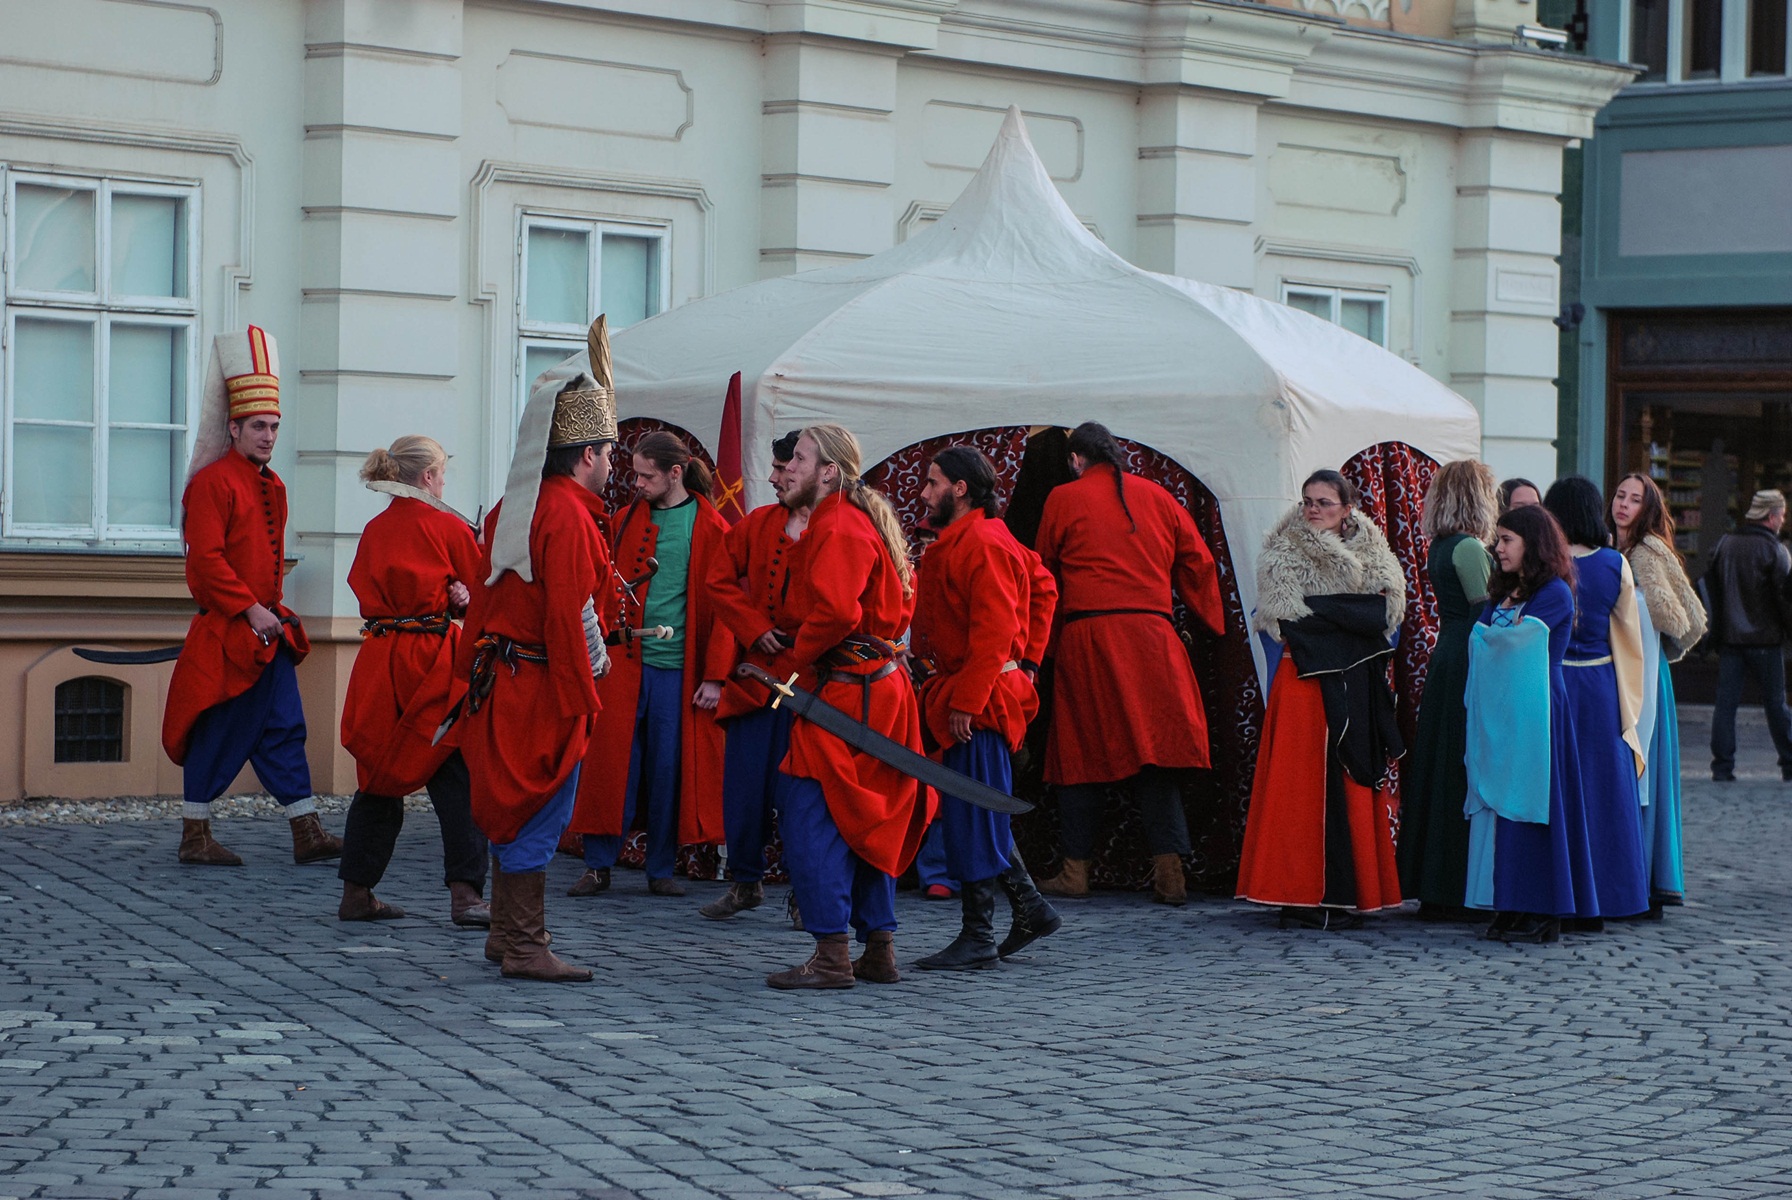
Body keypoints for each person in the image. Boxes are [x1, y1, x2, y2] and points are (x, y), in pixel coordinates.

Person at [456, 319, 617, 982]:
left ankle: (504, 933)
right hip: (540, 686)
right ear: (587, 455)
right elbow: (566, 613)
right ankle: (524, 944)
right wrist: (585, 697)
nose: (611, 465)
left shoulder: (513, 505)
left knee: (511, 805)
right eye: (608, 453)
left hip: (501, 680)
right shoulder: (569, 516)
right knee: (538, 808)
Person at [161, 326, 342, 868]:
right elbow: (206, 562)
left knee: (285, 726)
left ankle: (307, 830)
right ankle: (195, 836)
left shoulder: (274, 484)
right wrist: (250, 608)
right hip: (229, 633)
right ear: (234, 427)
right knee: (218, 728)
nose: (268, 436)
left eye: (274, 426)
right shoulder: (212, 483)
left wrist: (269, 614)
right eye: (258, 426)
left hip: (267, 633)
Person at [766, 423, 935, 990]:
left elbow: (838, 612)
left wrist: (797, 658)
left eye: (800, 458)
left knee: (812, 812)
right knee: (866, 818)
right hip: (874, 687)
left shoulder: (838, 523)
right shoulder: (861, 519)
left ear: (829, 472)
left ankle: (833, 956)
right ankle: (879, 947)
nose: (789, 466)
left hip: (848, 691)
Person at [1033, 422, 1224, 905]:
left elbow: (1043, 573)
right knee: (1155, 756)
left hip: (1090, 639)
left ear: (1076, 459)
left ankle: (1075, 873)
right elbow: (1200, 563)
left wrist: (1041, 647)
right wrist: (1210, 622)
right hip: (1154, 640)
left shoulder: (1063, 498)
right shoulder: (1159, 496)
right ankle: (1171, 875)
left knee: (1078, 754)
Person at [910, 447, 1062, 970]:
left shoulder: (983, 542)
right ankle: (1029, 909)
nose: (924, 492)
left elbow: (995, 631)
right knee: (975, 810)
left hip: (979, 702)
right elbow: (1044, 587)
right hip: (972, 693)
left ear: (960, 489)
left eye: (933, 483)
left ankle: (980, 935)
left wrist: (973, 698)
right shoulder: (977, 539)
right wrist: (1028, 663)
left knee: (974, 812)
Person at [1236, 469, 1406, 930]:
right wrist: (1352, 616)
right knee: (1301, 787)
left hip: (1355, 682)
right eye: (1307, 501)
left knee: (1351, 780)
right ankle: (1299, 895)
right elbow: (1286, 620)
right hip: (1303, 684)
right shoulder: (1282, 552)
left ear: (1347, 509)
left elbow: (1385, 613)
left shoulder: (1375, 552)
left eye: (1324, 502)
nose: (1313, 509)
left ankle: (1352, 893)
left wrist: (1327, 612)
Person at [568, 431, 731, 898]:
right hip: (623, 665)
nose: (635, 483)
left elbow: (726, 610)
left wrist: (715, 676)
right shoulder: (623, 520)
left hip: (677, 672)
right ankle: (598, 864)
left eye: (646, 476)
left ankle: (660, 868)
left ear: (674, 473)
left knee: (666, 772)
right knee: (611, 765)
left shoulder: (711, 526)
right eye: (635, 474)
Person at [335, 436, 489, 927]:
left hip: (380, 660)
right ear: (427, 477)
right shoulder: (447, 526)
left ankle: (356, 892)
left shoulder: (374, 529)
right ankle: (466, 896)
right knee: (455, 770)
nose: (444, 484)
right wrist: (462, 599)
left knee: (378, 774)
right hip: (430, 661)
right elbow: (482, 596)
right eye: (442, 475)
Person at [699, 431, 810, 922]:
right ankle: (746, 882)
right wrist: (753, 628)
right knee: (744, 789)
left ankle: (807, 893)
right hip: (757, 680)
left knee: (802, 795)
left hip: (813, 685)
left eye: (784, 468)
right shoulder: (759, 524)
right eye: (776, 467)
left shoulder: (841, 528)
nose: (773, 477)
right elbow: (718, 578)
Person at [1469, 504, 1586, 944]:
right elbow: (1482, 638)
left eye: (1507, 541)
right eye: (1498, 540)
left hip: (1539, 711)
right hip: (1504, 709)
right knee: (1504, 808)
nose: (1497, 549)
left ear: (1532, 545)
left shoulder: (1554, 592)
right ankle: (1511, 902)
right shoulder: (1504, 592)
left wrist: (1492, 637)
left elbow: (1513, 641)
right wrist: (1493, 637)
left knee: (1535, 807)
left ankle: (1543, 906)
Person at [1541, 476, 1649, 926]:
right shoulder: (1614, 563)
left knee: (1557, 789)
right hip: (1601, 686)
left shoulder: (1545, 564)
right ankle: (1611, 894)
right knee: (1605, 792)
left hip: (1552, 682)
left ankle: (1558, 892)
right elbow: (1629, 636)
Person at [1396, 459, 1498, 920]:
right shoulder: (1469, 548)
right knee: (1460, 767)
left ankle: (1432, 882)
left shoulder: (1440, 545)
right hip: (1467, 657)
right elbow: (1485, 611)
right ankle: (1455, 885)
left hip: (1447, 654)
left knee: (1439, 766)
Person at [1612, 472, 1706, 916]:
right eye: (1619, 496)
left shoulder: (1646, 551)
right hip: (1631, 671)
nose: (1623, 504)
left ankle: (1648, 881)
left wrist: (1657, 640)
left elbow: (1682, 618)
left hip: (1647, 673)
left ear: (1647, 508)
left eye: (1634, 499)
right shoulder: (1615, 548)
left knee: (1645, 771)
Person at [1704, 488, 1792, 783]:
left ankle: (1722, 766)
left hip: (1730, 639)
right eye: (1782, 515)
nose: (1783, 521)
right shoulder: (1775, 550)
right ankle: (1790, 762)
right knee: (1776, 704)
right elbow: (1785, 599)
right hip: (1766, 641)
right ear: (1772, 516)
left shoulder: (1725, 544)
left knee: (1725, 705)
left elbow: (1712, 589)